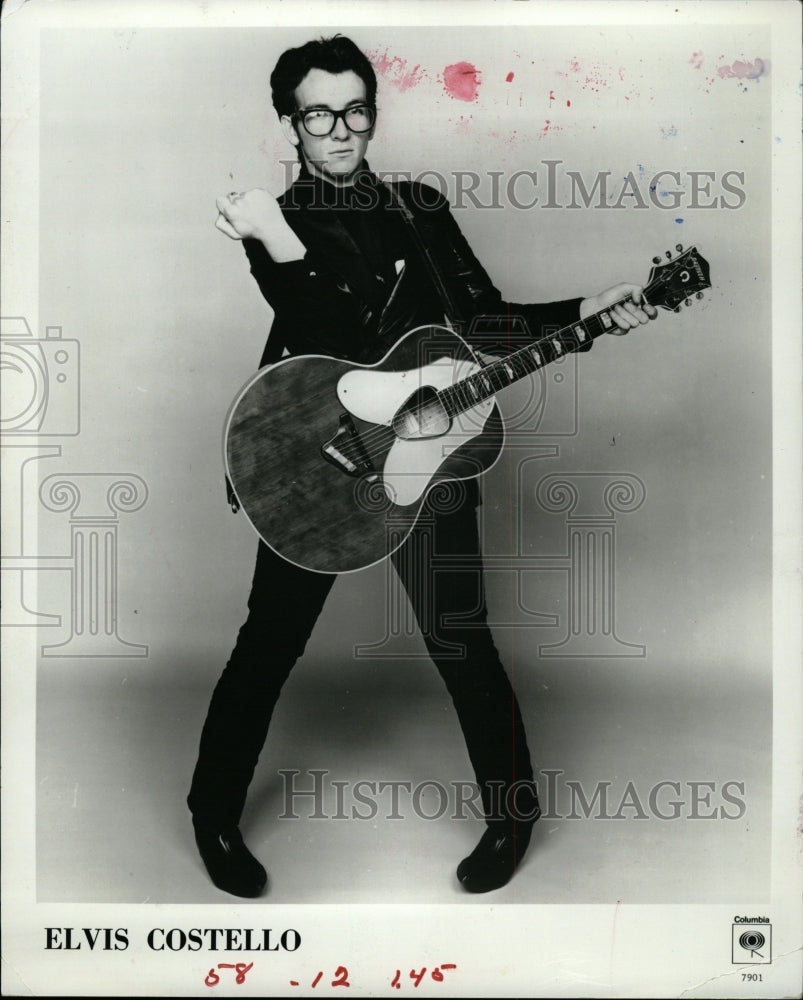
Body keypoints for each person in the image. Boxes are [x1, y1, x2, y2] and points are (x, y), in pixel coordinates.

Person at [188, 34, 656, 898]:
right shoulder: (274, 218)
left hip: (429, 452)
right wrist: (277, 239)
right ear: (289, 123)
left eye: (354, 109)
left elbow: (483, 323)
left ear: (373, 112)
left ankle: (511, 818)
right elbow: (337, 338)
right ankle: (211, 814)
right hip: (317, 458)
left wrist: (588, 310)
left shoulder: (419, 207)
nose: (339, 129)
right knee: (270, 640)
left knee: (461, 639)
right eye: (317, 113)